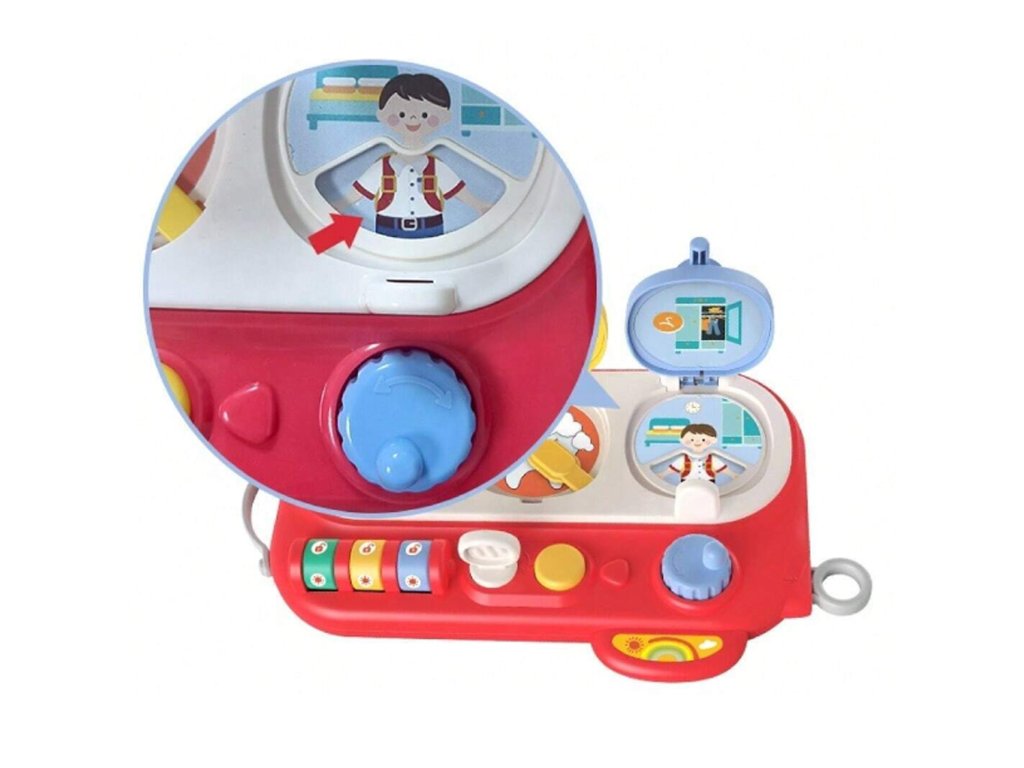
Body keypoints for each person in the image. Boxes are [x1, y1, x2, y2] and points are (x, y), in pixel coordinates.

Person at [335, 73, 491, 238]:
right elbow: (357, 193)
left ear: (444, 116)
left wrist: (479, 206)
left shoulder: (436, 167)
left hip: (430, 228)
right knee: (323, 242)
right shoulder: (382, 167)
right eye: (401, 114)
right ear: (383, 115)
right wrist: (336, 207)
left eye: (425, 115)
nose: (413, 118)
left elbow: (458, 191)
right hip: (388, 228)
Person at [665, 424, 734, 484]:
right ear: (683, 440)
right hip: (687, 486)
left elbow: (725, 470)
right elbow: (670, 470)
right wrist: (661, 475)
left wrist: (734, 476)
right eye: (692, 440)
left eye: (703, 440)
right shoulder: (683, 459)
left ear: (713, 440)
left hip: (709, 486)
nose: (697, 442)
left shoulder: (713, 459)